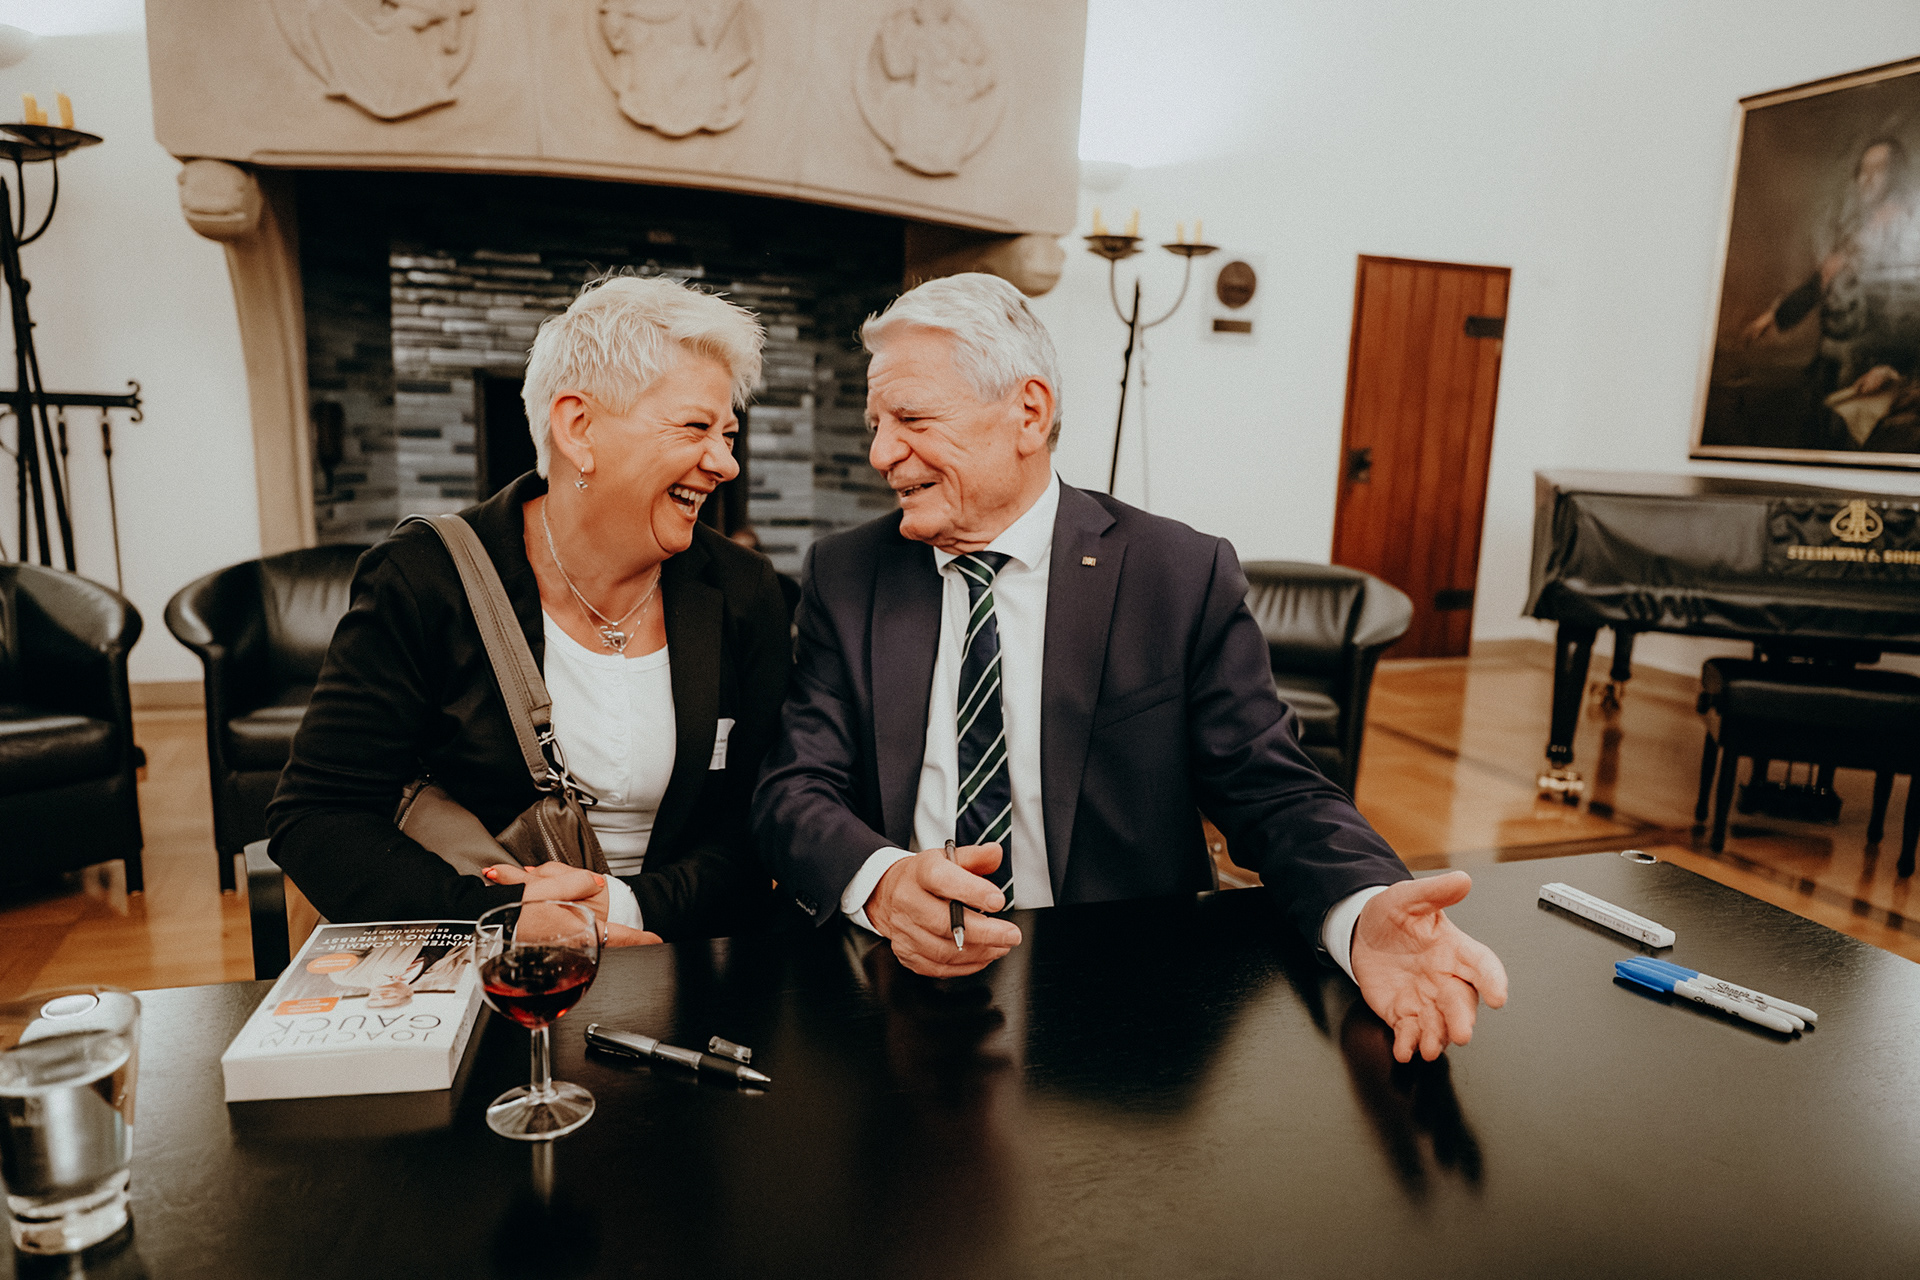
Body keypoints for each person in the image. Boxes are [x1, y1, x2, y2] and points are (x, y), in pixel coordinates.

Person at [753, 273, 1507, 1063]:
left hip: (1123, 1012)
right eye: (875, 423)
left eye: (910, 419)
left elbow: (1271, 787)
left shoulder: (1175, 574)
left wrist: (1363, 906)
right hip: (893, 989)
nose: (880, 454)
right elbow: (793, 789)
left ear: (1028, 412)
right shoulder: (849, 574)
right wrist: (882, 882)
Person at [270, 275, 790, 945]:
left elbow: (758, 827)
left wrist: (625, 908)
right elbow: (316, 816)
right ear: (579, 427)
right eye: (695, 427)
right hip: (487, 970)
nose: (724, 463)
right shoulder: (425, 578)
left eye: (728, 433)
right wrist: (507, 923)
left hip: (679, 961)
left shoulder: (746, 592)